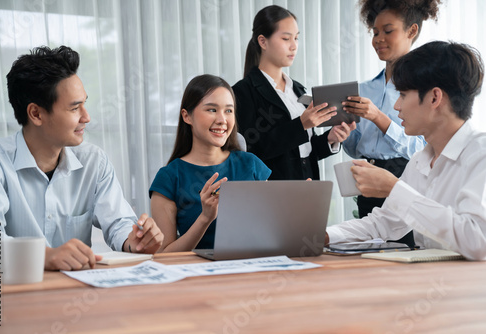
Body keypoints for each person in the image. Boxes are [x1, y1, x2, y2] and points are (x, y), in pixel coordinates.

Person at [0, 46, 164, 271]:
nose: (86, 117)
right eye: (74, 108)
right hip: (12, 296)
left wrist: (135, 242)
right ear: (36, 114)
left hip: (76, 291)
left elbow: (119, 223)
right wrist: (46, 257)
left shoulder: (94, 162)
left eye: (84, 104)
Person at [326, 41, 486, 261]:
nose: (396, 106)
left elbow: (478, 241)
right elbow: (383, 223)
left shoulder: (480, 154)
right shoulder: (421, 160)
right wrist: (322, 236)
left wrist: (394, 188)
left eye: (402, 95)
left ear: (434, 97)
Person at [232, 5, 356, 181]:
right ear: (263, 41)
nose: (294, 46)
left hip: (308, 183)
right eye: (286, 38)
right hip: (273, 191)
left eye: (296, 38)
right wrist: (300, 125)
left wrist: (330, 138)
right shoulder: (242, 92)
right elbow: (251, 151)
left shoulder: (298, 89)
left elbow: (304, 152)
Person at [149, 74, 271, 252]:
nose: (222, 120)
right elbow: (164, 256)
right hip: (198, 275)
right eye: (212, 110)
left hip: (251, 268)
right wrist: (205, 218)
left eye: (228, 111)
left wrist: (294, 209)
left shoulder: (250, 165)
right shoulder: (168, 178)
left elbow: (271, 231)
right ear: (187, 116)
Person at [342, 0, 441, 219]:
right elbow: (357, 149)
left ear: (411, 30)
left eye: (388, 31)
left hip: (405, 178)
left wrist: (378, 117)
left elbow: (423, 150)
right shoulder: (364, 89)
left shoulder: (425, 89)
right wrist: (343, 134)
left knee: (405, 250)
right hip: (367, 181)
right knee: (371, 248)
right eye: (375, 33)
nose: (378, 40)